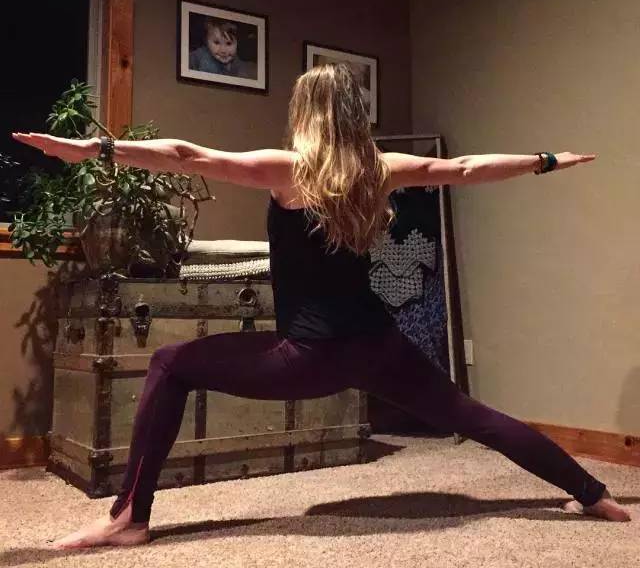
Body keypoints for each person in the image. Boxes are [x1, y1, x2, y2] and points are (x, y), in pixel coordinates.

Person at [13, 64, 630, 550]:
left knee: (171, 363)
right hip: (380, 347)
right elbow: (466, 167)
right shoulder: (382, 169)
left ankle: (128, 518)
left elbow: (187, 157)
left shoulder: (290, 171)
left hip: (308, 356)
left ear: (304, 113)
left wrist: (95, 150)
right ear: (355, 114)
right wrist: (547, 160)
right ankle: (592, 492)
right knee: (472, 415)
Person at [189, 17, 257, 79]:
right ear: (206, 42)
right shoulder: (207, 64)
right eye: (217, 43)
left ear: (237, 43)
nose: (223, 50)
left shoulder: (236, 60)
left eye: (229, 43)